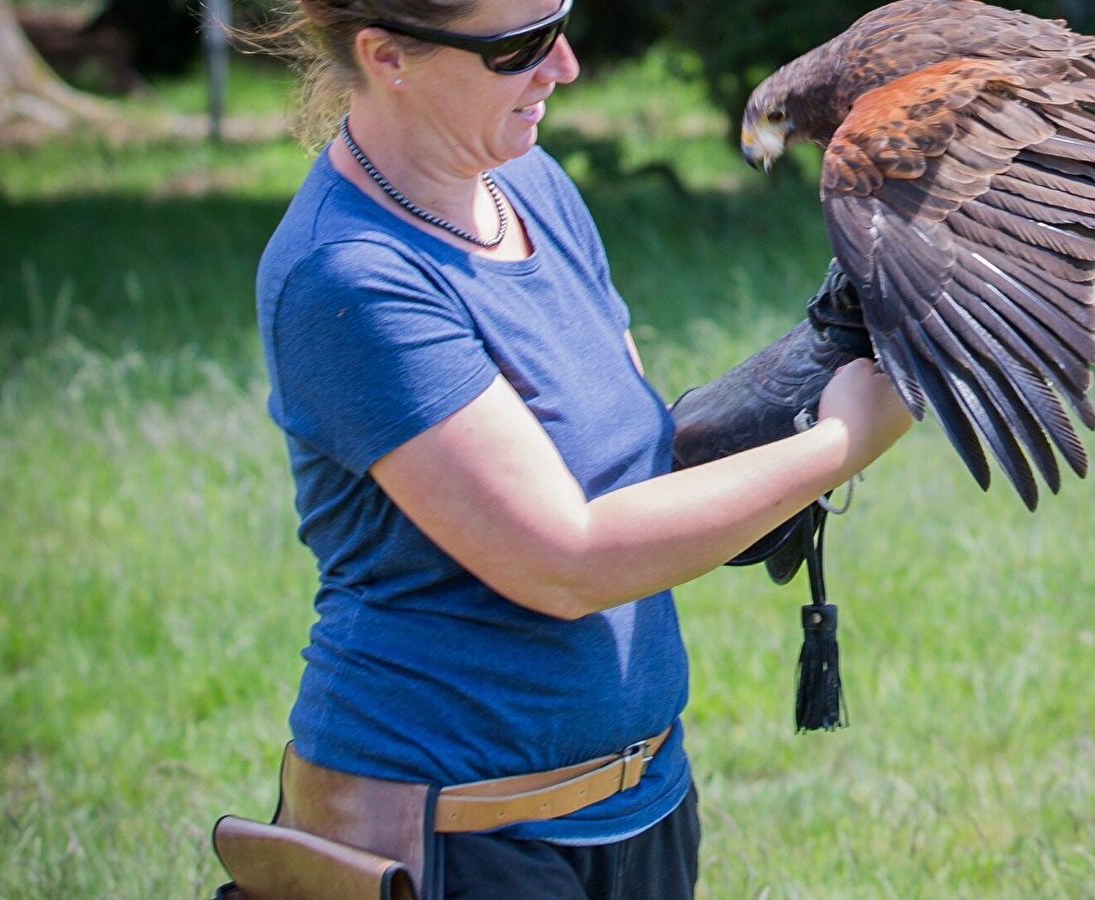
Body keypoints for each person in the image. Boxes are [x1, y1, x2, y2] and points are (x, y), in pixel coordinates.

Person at [246, 0, 913, 897]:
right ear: (387, 56)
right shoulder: (350, 274)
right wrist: (841, 439)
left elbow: (634, 463)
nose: (563, 67)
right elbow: (564, 558)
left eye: (560, 22)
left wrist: (839, 345)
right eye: (518, 46)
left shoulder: (528, 186)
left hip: (643, 799)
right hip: (456, 832)